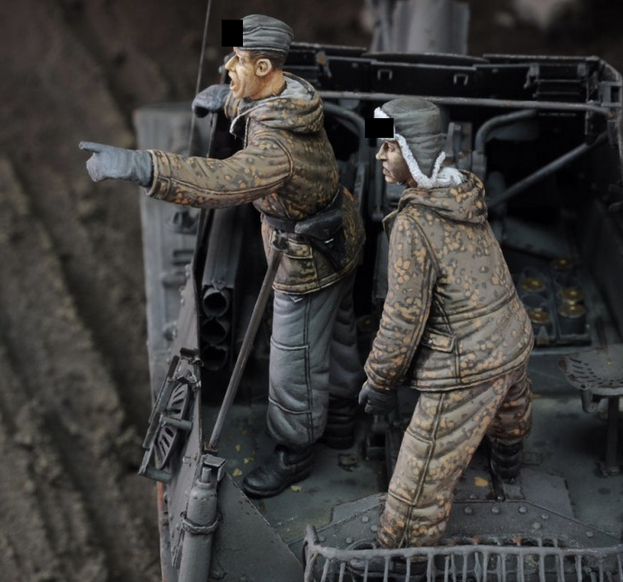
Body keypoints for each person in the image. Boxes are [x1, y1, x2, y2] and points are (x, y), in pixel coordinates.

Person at [80, 14, 365, 499]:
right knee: (339, 336)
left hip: (306, 262)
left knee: (293, 364)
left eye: (237, 60)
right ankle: (340, 419)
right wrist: (229, 98)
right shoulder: (294, 94)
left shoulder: (277, 149)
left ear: (263, 65)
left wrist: (140, 165)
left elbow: (217, 183)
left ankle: (296, 452)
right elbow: (260, 100)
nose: (228, 66)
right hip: (340, 235)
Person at [358, 97, 534, 550]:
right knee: (510, 413)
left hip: (469, 364)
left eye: (389, 147)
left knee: (420, 482)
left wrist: (380, 381)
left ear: (412, 152)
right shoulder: (464, 193)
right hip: (513, 338)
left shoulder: (413, 225)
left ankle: (403, 557)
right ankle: (508, 460)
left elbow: (402, 319)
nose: (379, 157)